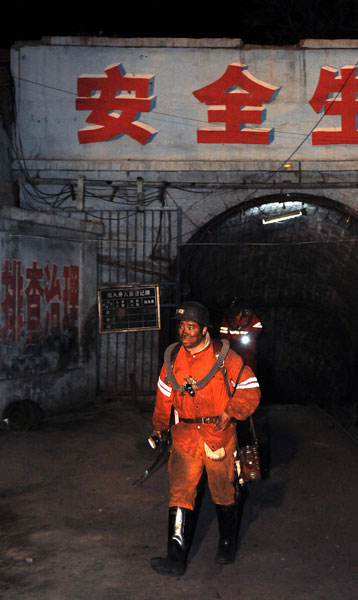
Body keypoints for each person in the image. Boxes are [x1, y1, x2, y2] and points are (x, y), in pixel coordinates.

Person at [150, 301, 260, 576]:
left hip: (218, 438)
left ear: (203, 330)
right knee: (180, 495)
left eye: (191, 327)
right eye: (181, 327)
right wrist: (160, 427)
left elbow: (250, 389)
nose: (185, 332)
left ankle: (226, 544)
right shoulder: (173, 359)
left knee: (223, 492)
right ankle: (175, 559)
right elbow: (164, 396)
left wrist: (231, 412)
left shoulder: (226, 359)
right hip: (185, 437)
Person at [219, 299, 263, 372]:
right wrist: (227, 343)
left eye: (234, 308)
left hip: (248, 348)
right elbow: (223, 334)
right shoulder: (227, 319)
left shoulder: (249, 316)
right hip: (233, 348)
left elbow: (258, 327)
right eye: (231, 309)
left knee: (248, 366)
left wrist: (251, 336)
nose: (233, 311)